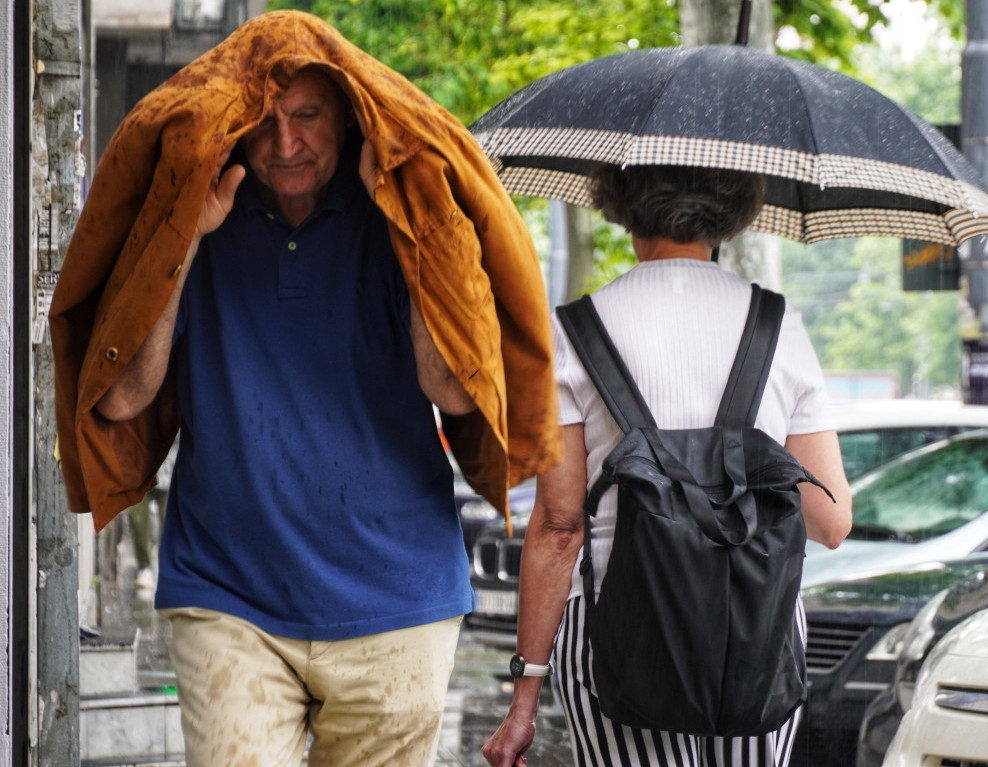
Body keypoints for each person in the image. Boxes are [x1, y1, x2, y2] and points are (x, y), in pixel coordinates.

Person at [92, 66, 476, 767]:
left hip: (397, 598)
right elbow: (121, 397)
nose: (285, 142)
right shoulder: (200, 214)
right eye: (264, 122)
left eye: (306, 116)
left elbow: (452, 391)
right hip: (228, 594)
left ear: (348, 120)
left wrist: (407, 225)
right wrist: (183, 236)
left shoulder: (391, 216)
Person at [482, 164, 854, 767]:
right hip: (756, 631)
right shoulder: (778, 326)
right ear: (731, 207)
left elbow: (559, 528)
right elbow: (830, 523)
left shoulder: (573, 332)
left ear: (621, 201)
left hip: (615, 631)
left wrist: (523, 700)